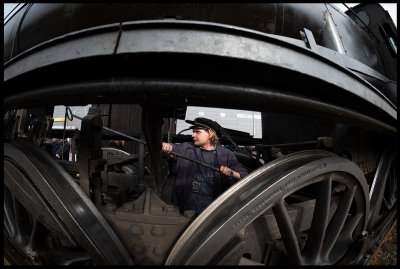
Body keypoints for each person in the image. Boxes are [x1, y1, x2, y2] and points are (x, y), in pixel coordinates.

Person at [162, 117, 248, 215]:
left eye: (198, 132)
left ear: (211, 134)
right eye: (193, 132)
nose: (193, 135)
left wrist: (232, 172)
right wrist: (165, 146)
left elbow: (243, 175)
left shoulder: (226, 155)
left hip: (213, 210)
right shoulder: (186, 149)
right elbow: (173, 149)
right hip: (187, 209)